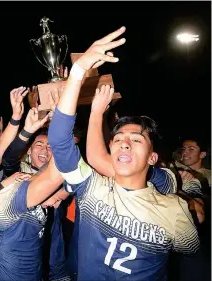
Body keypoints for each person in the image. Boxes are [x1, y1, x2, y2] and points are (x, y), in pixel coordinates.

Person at [48, 26, 199, 281]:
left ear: (153, 159)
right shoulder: (91, 187)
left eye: (136, 139)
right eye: (117, 139)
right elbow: (61, 142)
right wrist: (77, 72)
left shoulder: (173, 208)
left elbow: (189, 250)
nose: (124, 144)